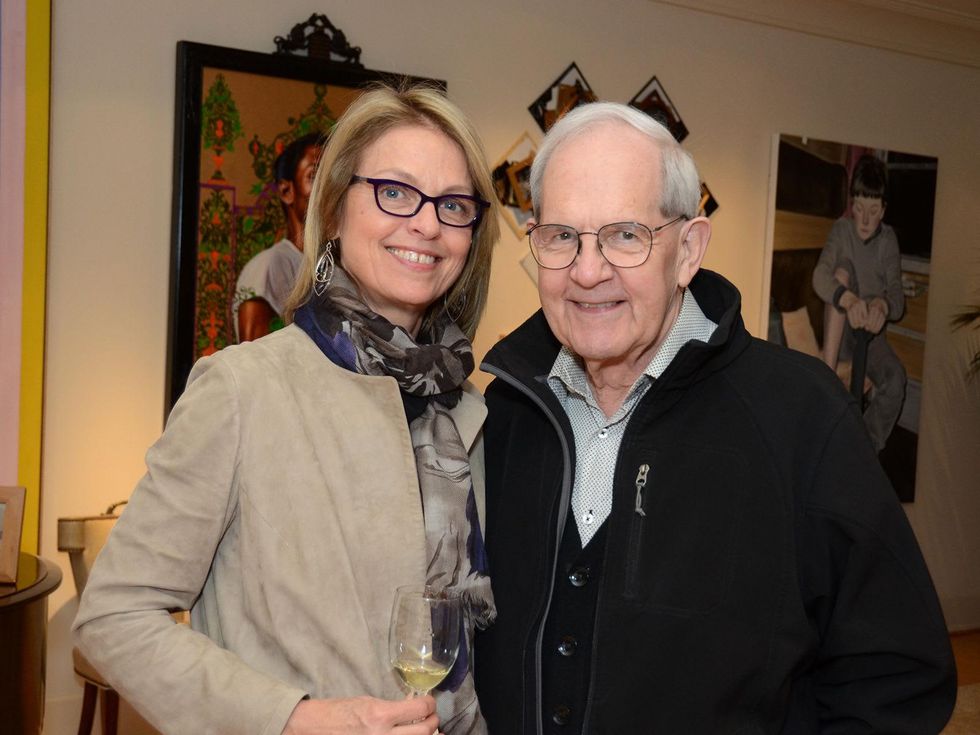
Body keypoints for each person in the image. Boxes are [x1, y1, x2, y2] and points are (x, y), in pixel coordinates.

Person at [473, 103, 955, 734]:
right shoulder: (505, 413)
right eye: (563, 236)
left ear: (688, 250)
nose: (588, 272)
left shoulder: (801, 417)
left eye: (626, 235)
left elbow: (899, 677)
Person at [74, 83, 500, 735]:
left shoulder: (470, 410)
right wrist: (293, 718)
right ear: (333, 210)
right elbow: (114, 616)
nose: (426, 223)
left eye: (453, 204)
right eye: (395, 191)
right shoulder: (242, 389)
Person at [812, 154, 907, 452]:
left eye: (873, 211)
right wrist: (848, 298)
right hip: (839, 331)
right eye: (859, 208)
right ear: (851, 204)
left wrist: (882, 306)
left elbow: (897, 298)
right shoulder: (842, 230)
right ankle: (827, 375)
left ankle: (863, 449)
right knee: (842, 269)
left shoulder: (888, 240)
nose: (864, 220)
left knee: (896, 381)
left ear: (884, 210)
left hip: (871, 337)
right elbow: (819, 277)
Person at [234, 132, 323, 342]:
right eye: (314, 176)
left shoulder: (338, 267)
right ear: (286, 191)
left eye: (333, 177)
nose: (326, 188)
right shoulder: (268, 267)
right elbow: (252, 356)